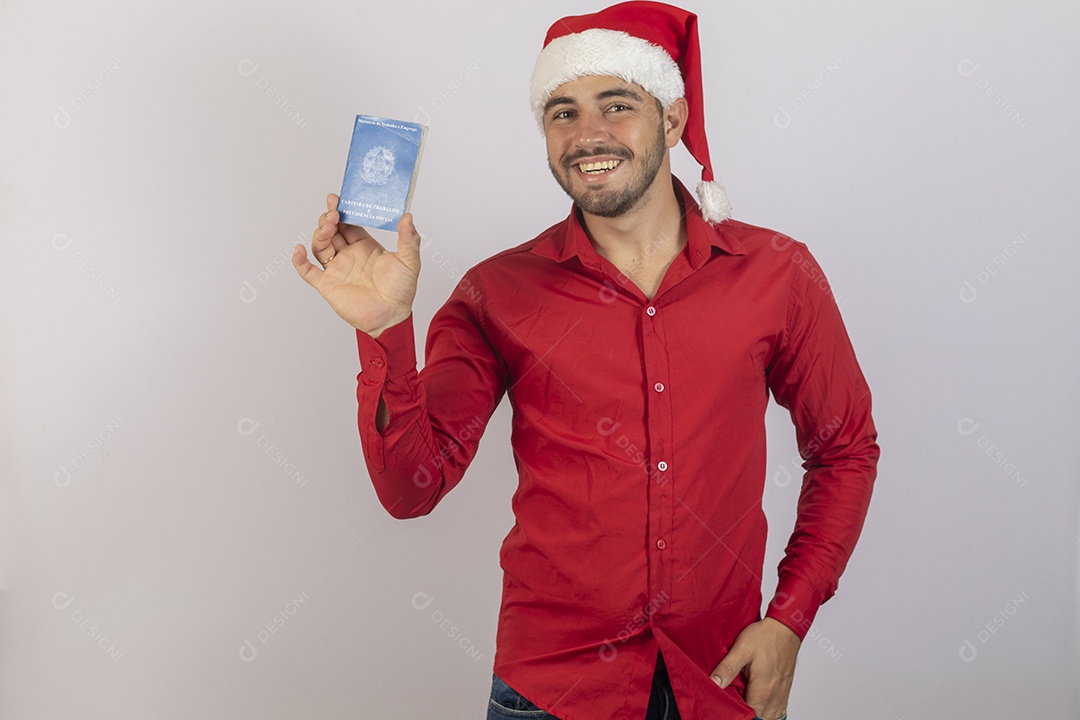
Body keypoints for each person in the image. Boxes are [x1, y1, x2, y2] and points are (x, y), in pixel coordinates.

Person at [291, 2, 879, 718]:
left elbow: (844, 448)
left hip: (720, 679)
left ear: (671, 120)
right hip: (552, 693)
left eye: (617, 105)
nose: (588, 134)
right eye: (562, 112)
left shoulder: (779, 273)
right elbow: (412, 489)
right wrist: (386, 328)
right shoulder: (496, 292)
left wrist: (788, 621)